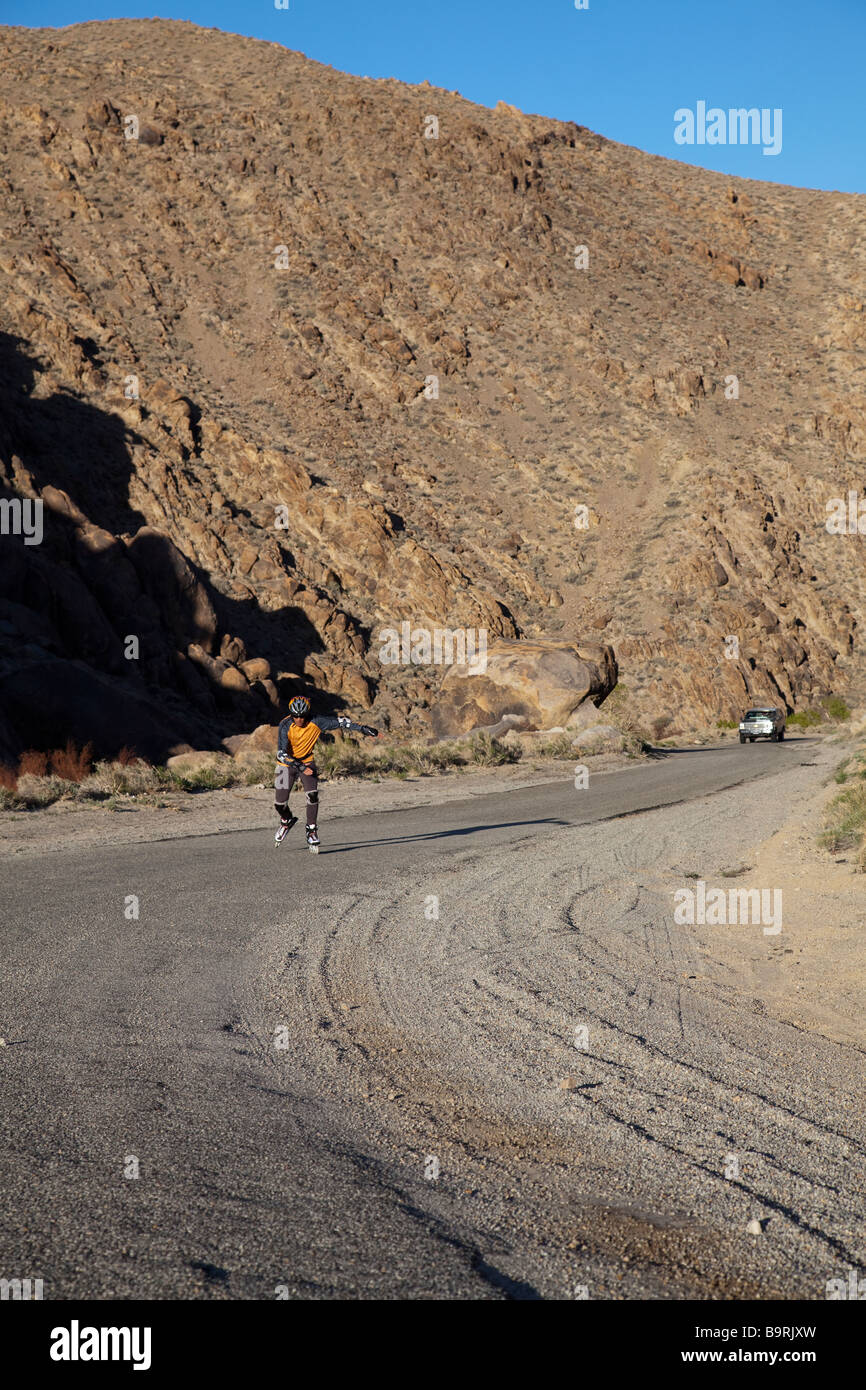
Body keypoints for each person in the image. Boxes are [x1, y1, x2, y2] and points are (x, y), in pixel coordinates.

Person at [274, 695, 378, 848]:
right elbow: (281, 754)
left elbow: (341, 722)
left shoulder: (317, 721)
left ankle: (311, 830)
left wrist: (363, 729)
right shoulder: (285, 725)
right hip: (286, 765)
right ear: (291, 714)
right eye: (295, 716)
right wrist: (300, 766)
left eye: (302, 716)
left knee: (313, 795)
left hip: (307, 761)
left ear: (307, 714)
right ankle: (286, 821)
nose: (299, 720)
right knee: (279, 804)